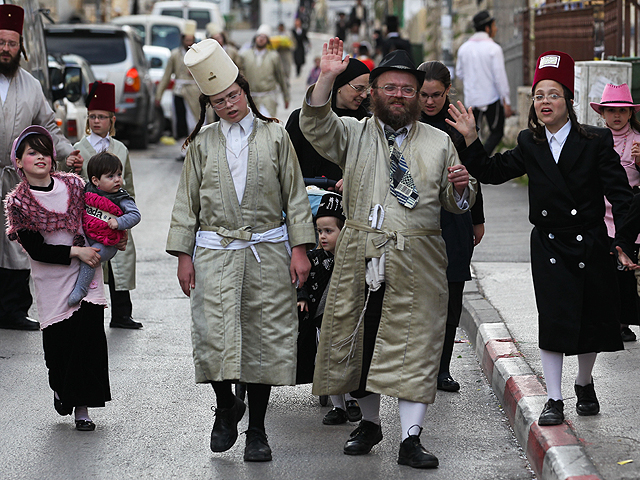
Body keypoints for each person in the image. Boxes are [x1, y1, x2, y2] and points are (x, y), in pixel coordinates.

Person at [300, 38, 475, 469]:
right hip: (361, 249)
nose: (399, 95)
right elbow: (315, 124)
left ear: (418, 96)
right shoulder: (354, 133)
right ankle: (371, 423)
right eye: (389, 87)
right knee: (360, 341)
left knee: (417, 346)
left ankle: (412, 438)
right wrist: (327, 75)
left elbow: (458, 202)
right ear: (373, 93)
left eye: (407, 89)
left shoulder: (439, 141)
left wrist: (461, 188)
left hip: (420, 255)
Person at [448, 50, 632, 427]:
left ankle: (583, 382)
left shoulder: (596, 140)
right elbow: (492, 171)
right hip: (549, 243)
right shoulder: (530, 142)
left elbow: (622, 195)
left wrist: (624, 243)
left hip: (591, 242)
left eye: (553, 94)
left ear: (569, 101)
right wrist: (470, 139)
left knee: (590, 321)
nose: (545, 101)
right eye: (539, 95)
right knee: (553, 320)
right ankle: (554, 398)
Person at [166, 39, 315, 462]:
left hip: (267, 250)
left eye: (233, 95)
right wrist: (184, 255)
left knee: (261, 339)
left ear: (245, 91)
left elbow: (295, 195)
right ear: (209, 104)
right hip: (214, 251)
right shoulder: (202, 144)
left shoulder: (274, 137)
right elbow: (186, 202)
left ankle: (258, 431)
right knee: (213, 334)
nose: (228, 105)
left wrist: (299, 249)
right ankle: (225, 403)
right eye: (218, 100)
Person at [5, 126, 110, 431]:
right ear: (19, 162)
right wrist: (76, 252)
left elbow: (97, 215)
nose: (40, 158)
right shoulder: (19, 203)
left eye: (45, 152)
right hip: (52, 282)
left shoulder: (74, 186)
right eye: (31, 153)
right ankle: (61, 389)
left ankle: (83, 409)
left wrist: (113, 234)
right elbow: (37, 251)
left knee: (88, 341)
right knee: (60, 346)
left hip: (86, 275)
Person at [0, 4, 82, 331]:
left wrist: (69, 152)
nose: (5, 49)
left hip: (13, 179)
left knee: (15, 245)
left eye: (10, 43)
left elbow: (48, 127)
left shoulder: (31, 85)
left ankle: (13, 310)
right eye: (0, 42)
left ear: (20, 47)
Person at [417, 60, 486, 392]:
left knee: (452, 295)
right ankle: (419, 366)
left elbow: (474, 171)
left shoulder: (457, 126)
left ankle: (442, 368)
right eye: (424, 95)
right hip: (417, 219)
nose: (430, 102)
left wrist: (478, 218)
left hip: (455, 218)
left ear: (448, 93)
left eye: (437, 95)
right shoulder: (405, 124)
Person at [71, 82, 142, 329]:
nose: (97, 121)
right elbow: (70, 182)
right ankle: (89, 312)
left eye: (102, 117)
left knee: (121, 262)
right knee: (92, 260)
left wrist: (127, 213)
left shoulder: (120, 148)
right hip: (90, 216)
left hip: (116, 215)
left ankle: (122, 314)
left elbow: (128, 182)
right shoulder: (79, 149)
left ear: (112, 119)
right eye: (93, 117)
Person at [296, 193, 362, 424]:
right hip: (320, 320)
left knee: (349, 358)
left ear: (344, 231)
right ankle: (338, 407)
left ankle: (353, 400)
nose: (323, 236)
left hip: (349, 320)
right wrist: (302, 296)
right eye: (320, 231)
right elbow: (300, 278)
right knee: (327, 360)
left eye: (329, 231)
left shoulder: (354, 259)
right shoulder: (313, 257)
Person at [590, 83, 640, 343]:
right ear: (602, 114)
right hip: (599, 215)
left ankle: (623, 322)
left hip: (629, 216)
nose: (617, 115)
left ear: (631, 114)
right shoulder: (594, 141)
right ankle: (607, 319)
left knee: (626, 274)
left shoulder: (637, 141)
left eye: (622, 110)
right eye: (611, 111)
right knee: (604, 270)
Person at [68, 152, 140, 308]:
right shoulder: (88, 189)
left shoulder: (121, 198)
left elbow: (135, 215)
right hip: (88, 236)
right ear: (95, 180)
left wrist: (120, 222)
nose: (117, 179)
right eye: (110, 176)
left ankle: (81, 288)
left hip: (107, 243)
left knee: (91, 258)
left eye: (119, 175)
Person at [286, 57, 370, 183]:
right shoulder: (302, 119)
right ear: (340, 85)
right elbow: (286, 162)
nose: (363, 95)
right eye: (358, 88)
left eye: (366, 90)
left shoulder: (366, 122)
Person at [455, 10, 512, 155]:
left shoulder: (463, 49)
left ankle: (474, 162)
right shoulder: (494, 49)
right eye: (494, 25)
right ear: (487, 28)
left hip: (471, 100)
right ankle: (482, 161)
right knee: (497, 132)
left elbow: (459, 73)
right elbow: (500, 78)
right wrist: (506, 101)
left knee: (473, 133)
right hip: (491, 98)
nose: (496, 29)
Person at [155, 20, 199, 141]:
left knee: (195, 120)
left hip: (195, 92)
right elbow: (166, 76)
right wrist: (159, 95)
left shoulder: (199, 54)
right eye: (187, 40)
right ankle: (182, 148)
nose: (189, 43)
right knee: (180, 120)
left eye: (191, 40)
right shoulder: (175, 54)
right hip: (179, 91)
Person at [239, 24, 290, 118]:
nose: (261, 39)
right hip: (251, 97)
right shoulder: (245, 55)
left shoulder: (274, 56)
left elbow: (281, 78)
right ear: (255, 38)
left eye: (264, 37)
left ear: (267, 40)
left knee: (268, 124)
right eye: (259, 37)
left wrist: (286, 97)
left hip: (268, 97)